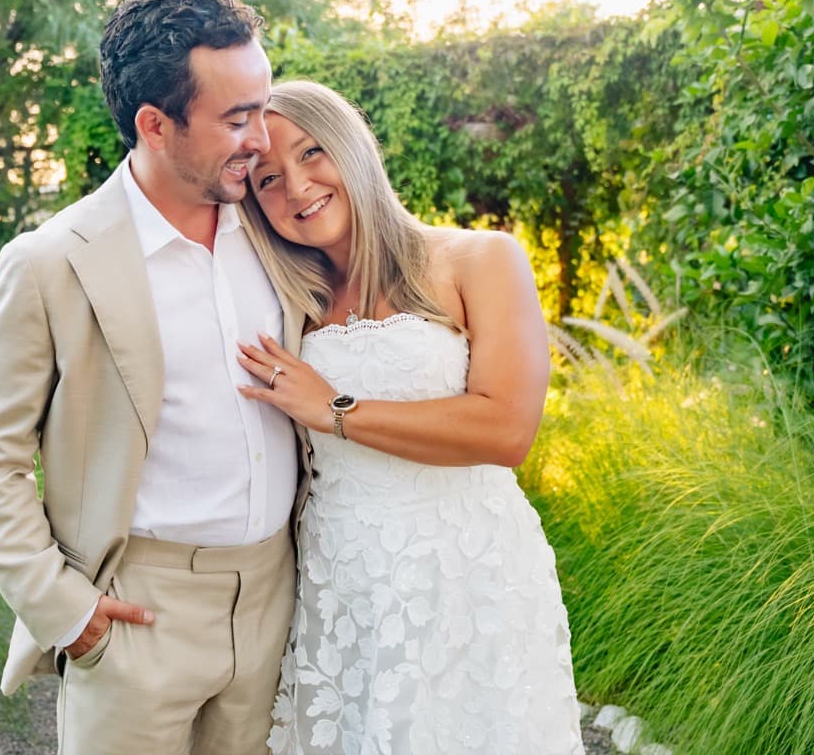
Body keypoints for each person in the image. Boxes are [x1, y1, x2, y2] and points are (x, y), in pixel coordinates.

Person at [0, 0, 310, 755]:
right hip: (136, 616)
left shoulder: (282, 229)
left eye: (263, 105)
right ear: (155, 124)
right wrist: (66, 613)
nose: (262, 137)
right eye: (236, 117)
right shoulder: (49, 263)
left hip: (278, 604)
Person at [234, 80, 586, 754]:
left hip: (464, 573)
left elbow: (507, 429)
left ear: (354, 147)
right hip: (341, 579)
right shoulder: (288, 301)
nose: (297, 187)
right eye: (268, 178)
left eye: (312, 154)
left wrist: (335, 409)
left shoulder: (478, 259)